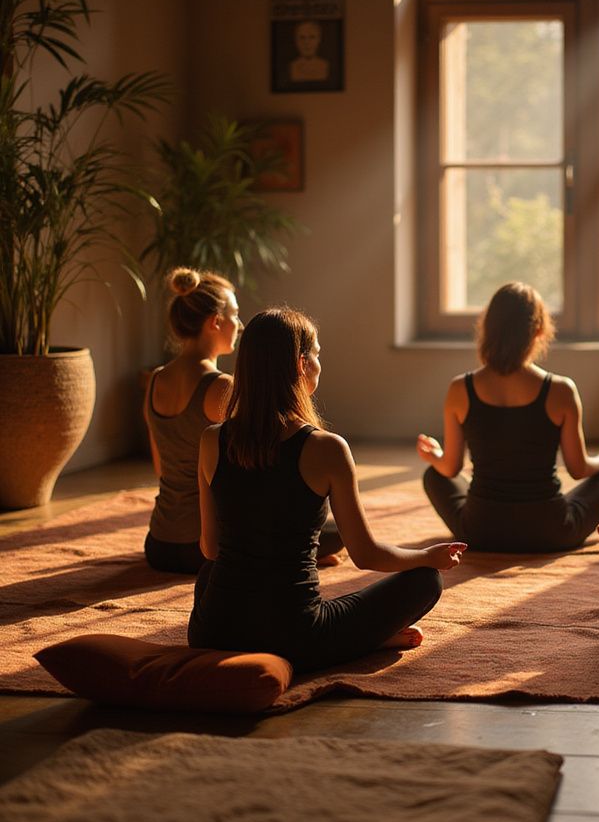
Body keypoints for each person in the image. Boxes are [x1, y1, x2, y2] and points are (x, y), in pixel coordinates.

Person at [189, 308, 465, 672]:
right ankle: (364, 641)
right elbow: (365, 555)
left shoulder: (212, 439)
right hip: (297, 638)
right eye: (318, 354)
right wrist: (428, 556)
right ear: (301, 365)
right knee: (425, 581)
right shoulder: (327, 448)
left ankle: (361, 638)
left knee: (213, 572)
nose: (321, 362)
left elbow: (210, 548)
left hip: (212, 633)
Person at [417, 282, 599, 553]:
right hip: (551, 532)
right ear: (539, 330)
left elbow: (450, 468)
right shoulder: (561, 389)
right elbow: (578, 469)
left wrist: (435, 455)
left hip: (480, 530)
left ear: (487, 329)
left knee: (433, 476)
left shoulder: (460, 388)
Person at [144, 268, 239, 574]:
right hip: (206, 548)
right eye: (235, 315)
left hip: (158, 545)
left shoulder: (156, 379)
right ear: (215, 322)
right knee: (331, 534)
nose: (239, 324)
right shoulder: (222, 387)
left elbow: (161, 468)